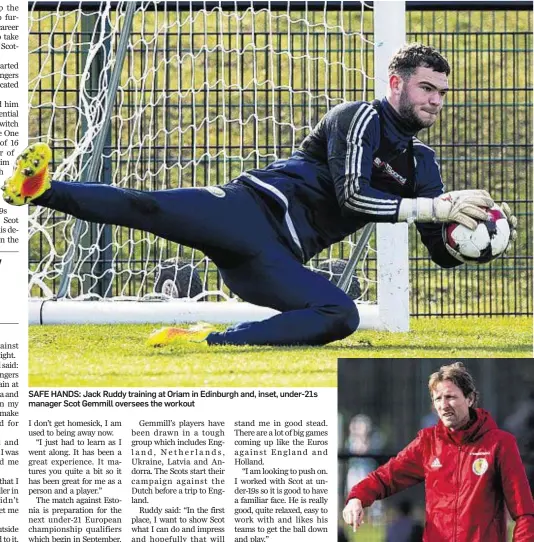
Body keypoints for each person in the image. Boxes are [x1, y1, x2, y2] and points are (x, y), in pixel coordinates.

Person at [2, 44, 516, 346]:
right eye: (427, 88)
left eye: (442, 93)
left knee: (343, 316)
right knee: (148, 206)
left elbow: (439, 253)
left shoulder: (423, 166)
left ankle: (216, 339)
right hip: (248, 211)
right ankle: (41, 189)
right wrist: (432, 207)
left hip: (274, 259)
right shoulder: (358, 117)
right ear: (396, 84)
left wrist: (478, 233)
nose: (436, 101)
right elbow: (354, 196)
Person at [342, 362, 534, 541]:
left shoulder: (500, 444)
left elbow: (524, 511)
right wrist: (357, 497)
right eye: (437, 399)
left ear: (470, 399)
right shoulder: (427, 442)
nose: (443, 405)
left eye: (450, 397)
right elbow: (385, 477)